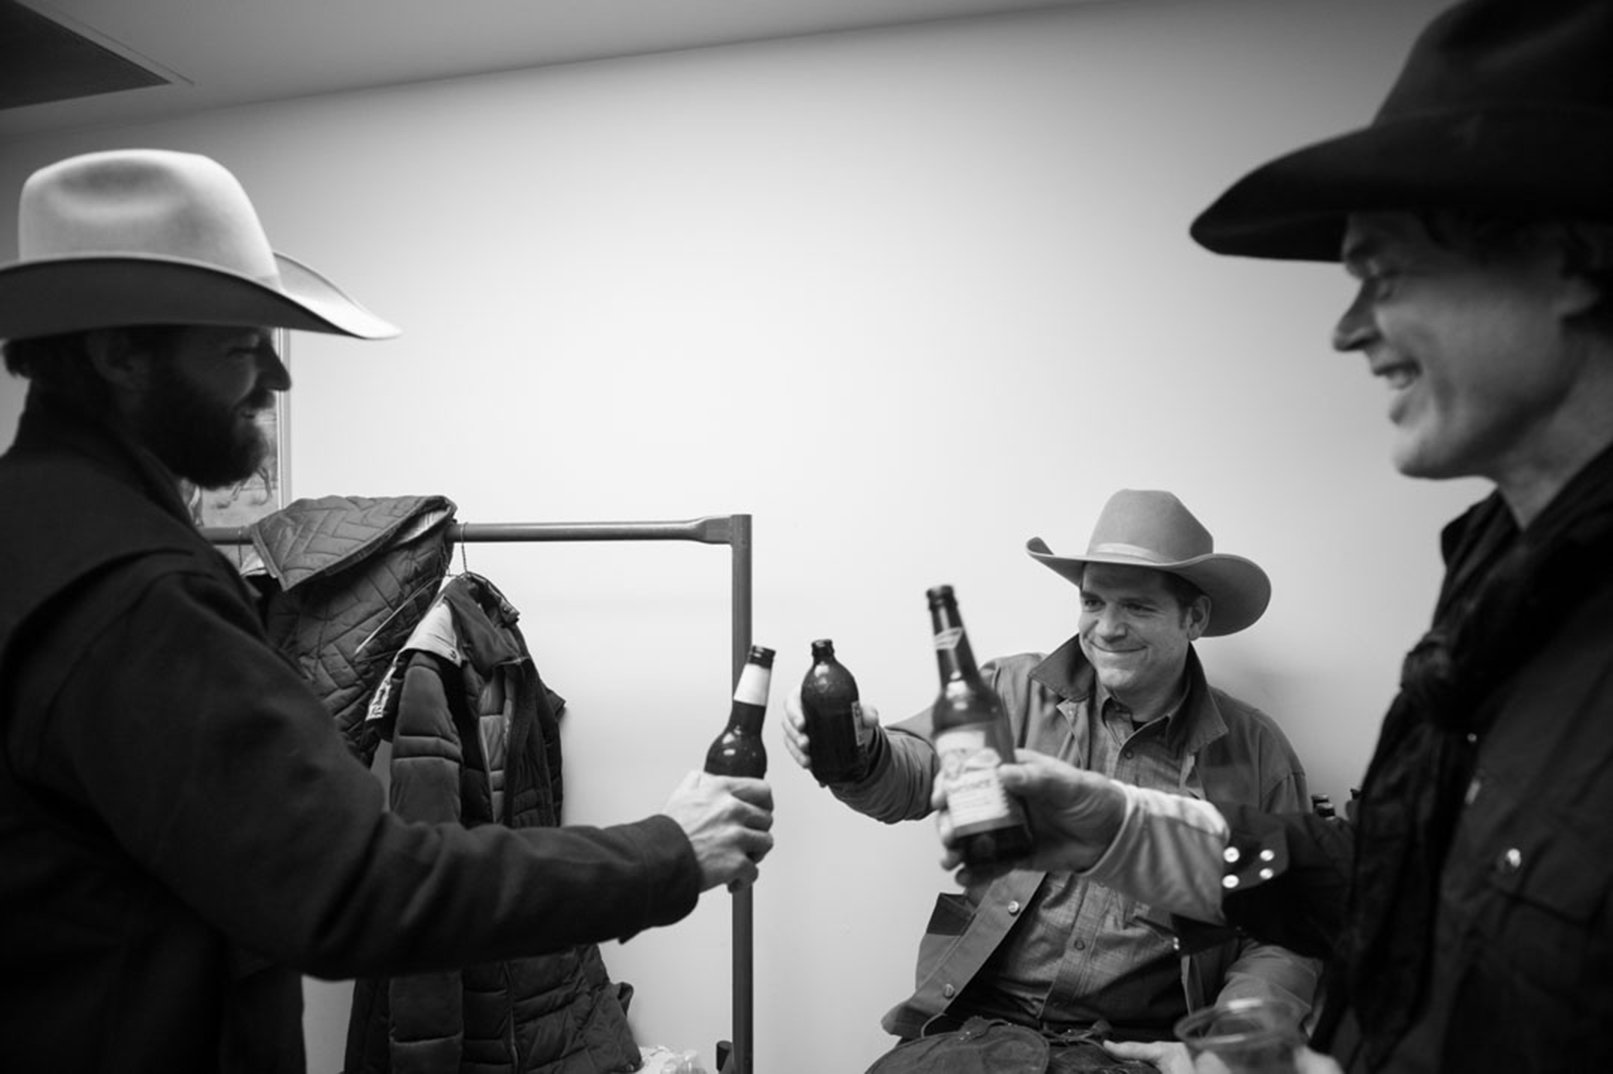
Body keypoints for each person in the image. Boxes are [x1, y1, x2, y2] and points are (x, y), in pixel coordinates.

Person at [932, 2, 1613, 1071]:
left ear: (1570, 260)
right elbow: (1403, 888)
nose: (1347, 329)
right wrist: (1118, 829)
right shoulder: (1496, 585)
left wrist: (1252, 1027)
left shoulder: (1254, 742)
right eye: (1091, 596)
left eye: (1383, 272)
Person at [0, 148, 775, 1072]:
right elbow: (352, 887)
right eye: (241, 347)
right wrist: (666, 854)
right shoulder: (138, 592)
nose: (275, 383)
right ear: (120, 354)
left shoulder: (32, 533)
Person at [784, 489, 1318, 1074]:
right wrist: (860, 749)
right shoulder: (1010, 692)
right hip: (978, 1029)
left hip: (1132, 1051)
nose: (1106, 629)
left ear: (1194, 618)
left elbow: (1285, 932)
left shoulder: (1257, 753)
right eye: (1093, 602)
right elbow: (914, 773)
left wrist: (1233, 1039)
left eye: (1137, 607)